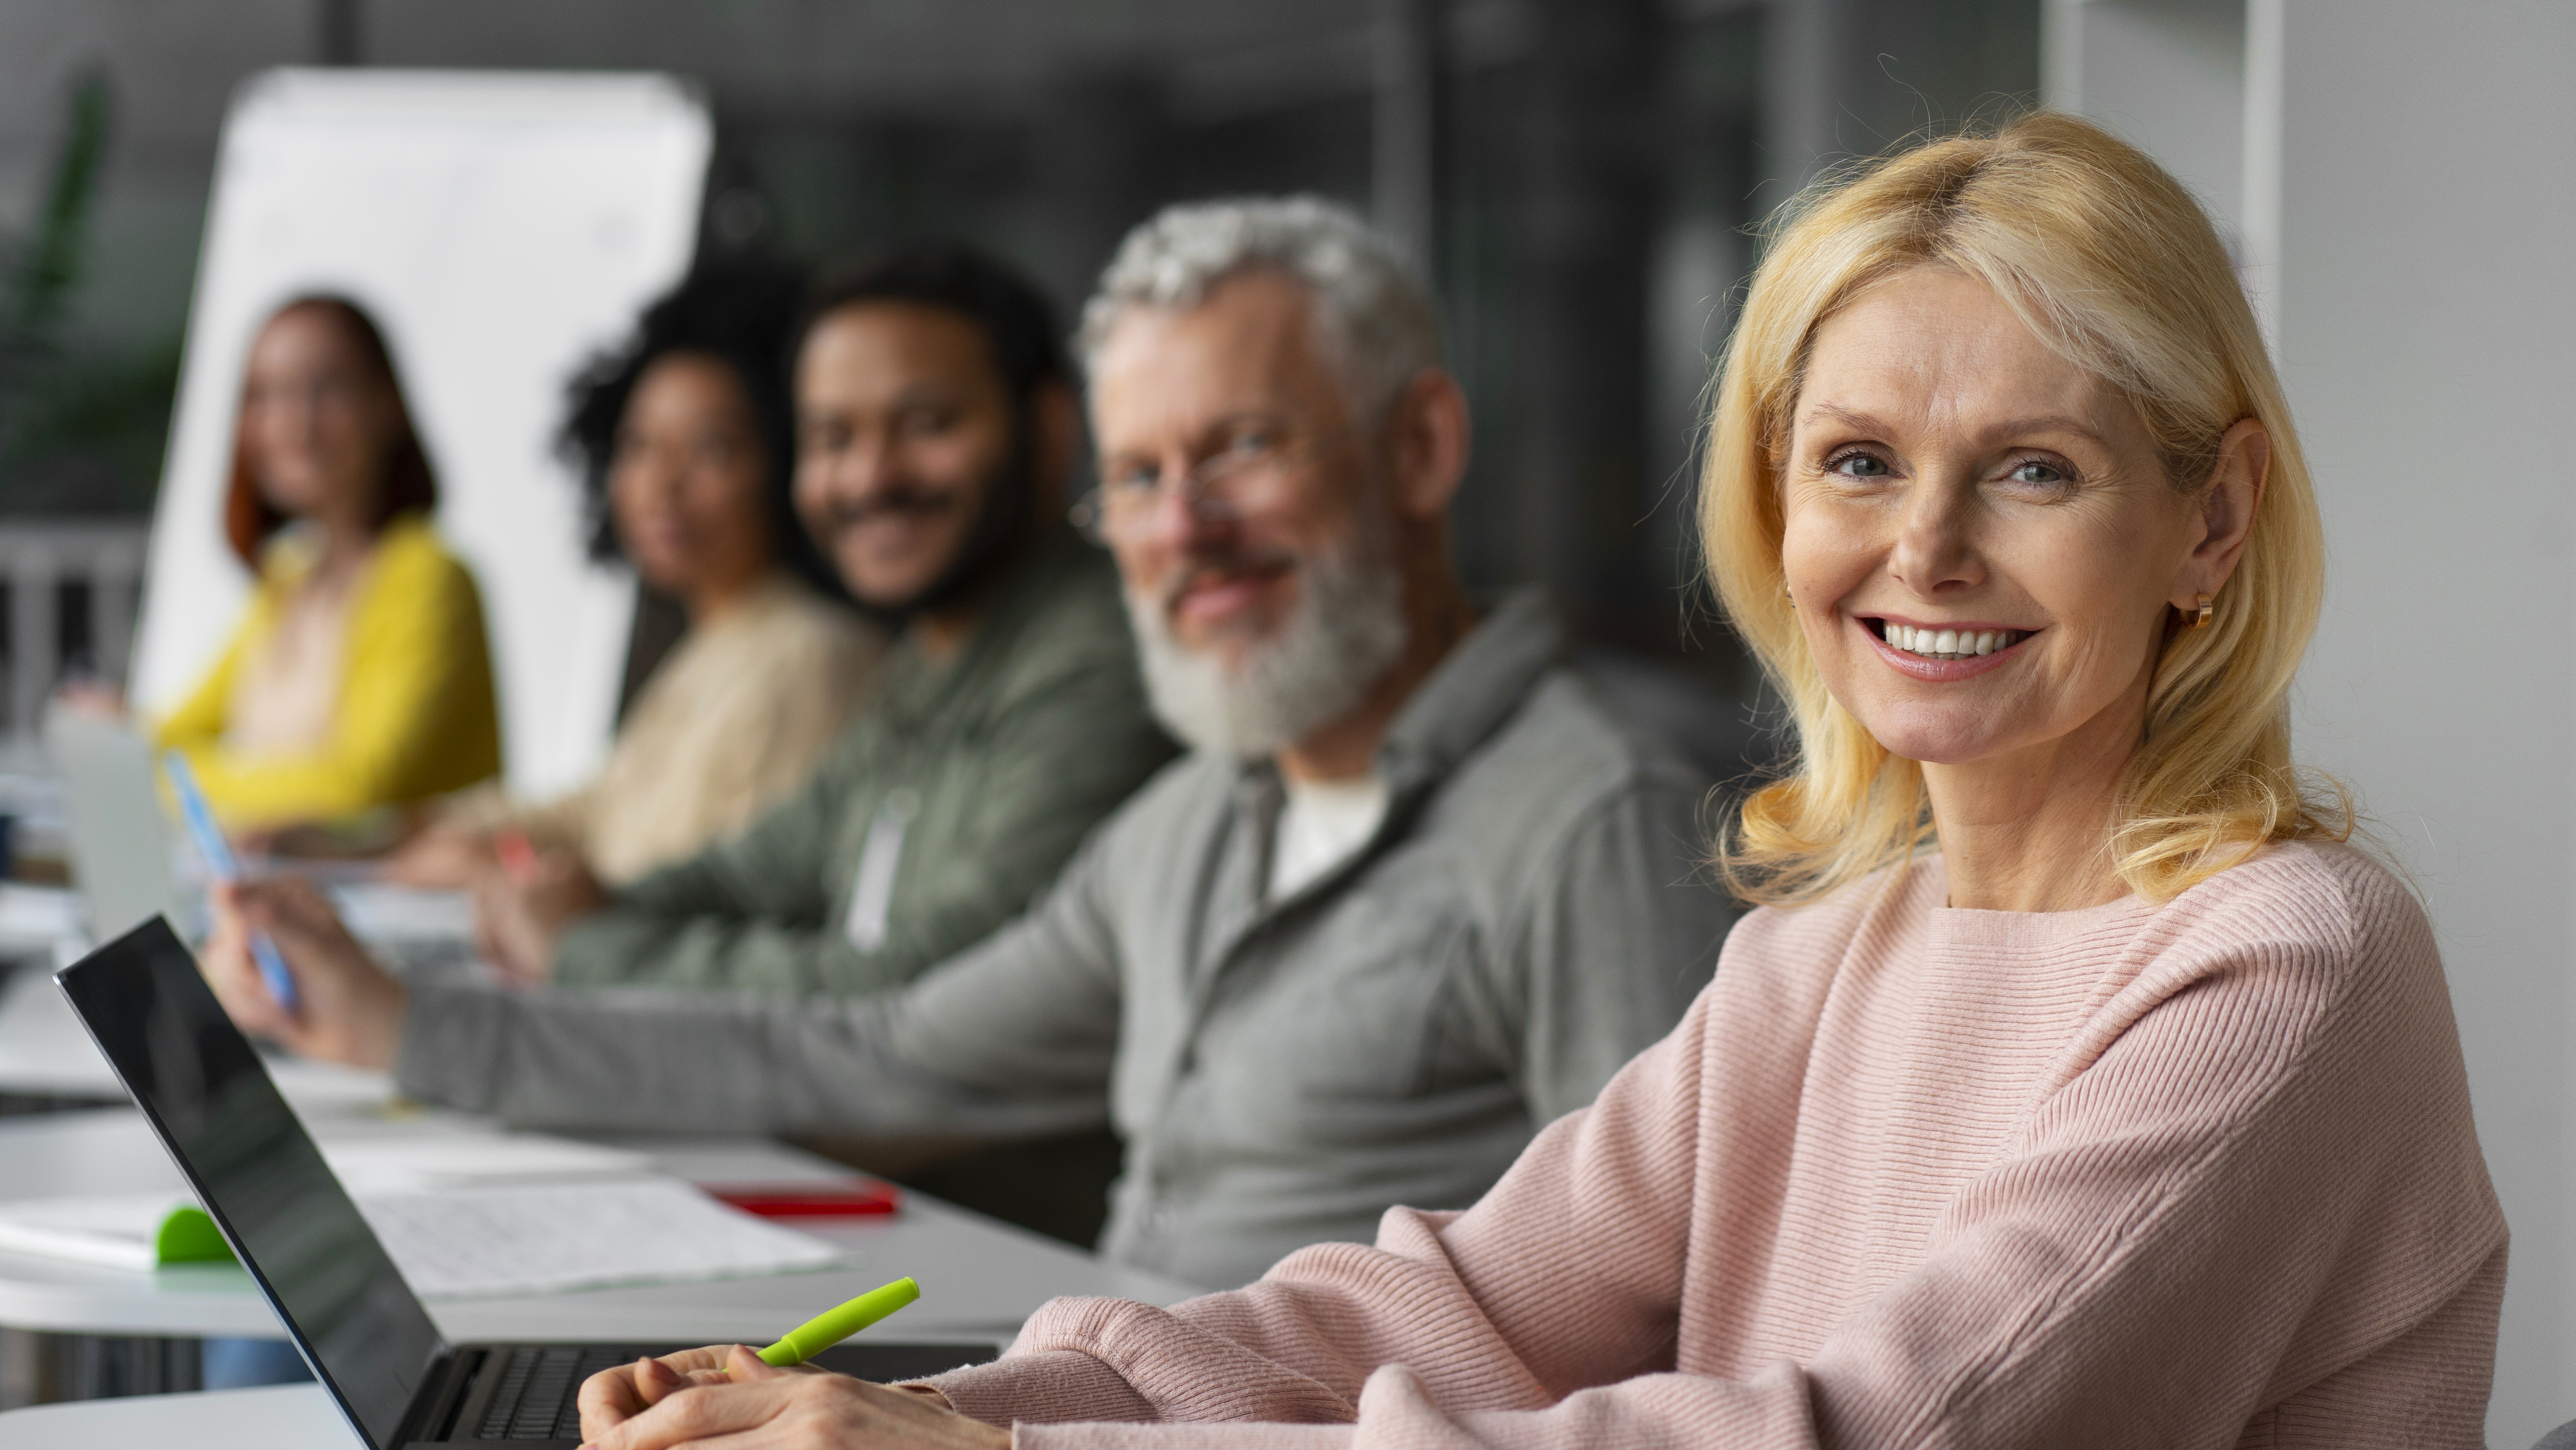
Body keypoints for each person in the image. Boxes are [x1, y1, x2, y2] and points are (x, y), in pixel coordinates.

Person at [508, 119, 2576, 1450]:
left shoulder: (2281, 965)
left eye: (2032, 469)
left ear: (2206, 520)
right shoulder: (1826, 955)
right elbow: (1442, 1310)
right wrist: (915, 1419)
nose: (1923, 547)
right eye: (1857, 460)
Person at [208, 196, 1743, 1292]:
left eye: (1244, 449)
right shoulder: (1214, 815)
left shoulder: (1590, 815)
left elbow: (1646, 1330)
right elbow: (879, 1050)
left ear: (1420, 449)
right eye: (1141, 477)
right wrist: (406, 1027)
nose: (1181, 530)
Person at [461, 242, 1176, 995]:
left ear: (1053, 426)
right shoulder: (930, 661)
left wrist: (587, 948)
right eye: (833, 438)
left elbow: (934, 989)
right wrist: (583, 907)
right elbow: (756, 870)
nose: (871, 477)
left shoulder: (1096, 661)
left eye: (926, 423)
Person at [388, 265, 886, 893]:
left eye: (712, 448)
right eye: (639, 445)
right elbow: (599, 807)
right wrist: (417, 832)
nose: (662, 483)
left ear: (791, 458)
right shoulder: (720, 642)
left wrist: (506, 875)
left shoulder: (808, 657)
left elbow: (727, 902)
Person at [151, 295, 499, 839]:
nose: (294, 421)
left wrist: (179, 784)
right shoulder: (290, 577)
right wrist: (113, 738)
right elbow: (170, 737)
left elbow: (361, 787)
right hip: (293, 895)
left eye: (327, 388)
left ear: (387, 403)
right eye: (266, 395)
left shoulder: (427, 576)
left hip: (402, 910)